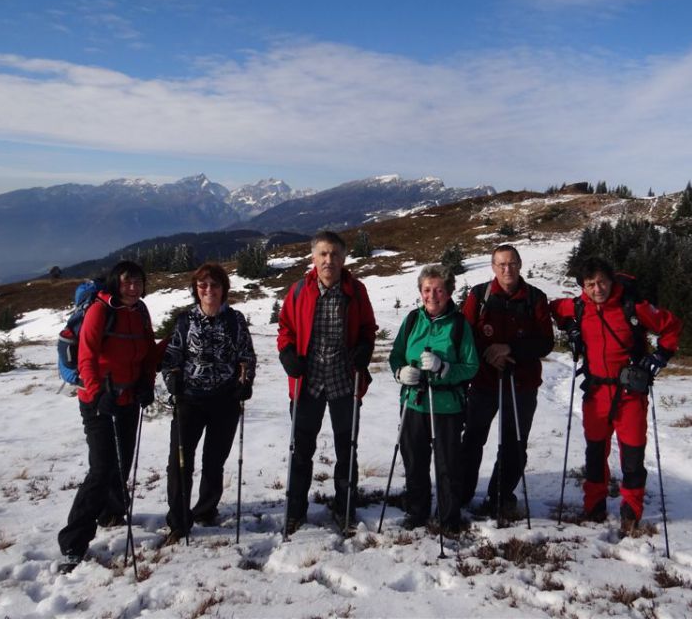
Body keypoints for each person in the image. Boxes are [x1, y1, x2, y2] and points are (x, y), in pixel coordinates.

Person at [550, 257, 682, 534]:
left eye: (601, 283)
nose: (597, 289)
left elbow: (670, 325)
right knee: (595, 453)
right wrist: (570, 327)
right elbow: (553, 308)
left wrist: (661, 354)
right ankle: (594, 505)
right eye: (590, 285)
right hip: (596, 392)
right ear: (583, 287)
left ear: (611, 281)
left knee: (632, 456)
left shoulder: (632, 306)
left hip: (629, 393)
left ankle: (630, 510)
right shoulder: (577, 306)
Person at [57, 260, 156, 572]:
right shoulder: (101, 310)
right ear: (116, 282)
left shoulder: (140, 311)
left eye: (138, 281)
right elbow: (86, 355)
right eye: (127, 281)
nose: (133, 287)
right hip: (99, 401)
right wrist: (98, 394)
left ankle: (111, 513)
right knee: (101, 469)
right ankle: (74, 541)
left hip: (127, 398)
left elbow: (149, 352)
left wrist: (147, 384)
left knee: (122, 462)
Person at [277, 231, 377, 533]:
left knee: (347, 448)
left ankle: (345, 509)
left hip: (344, 382)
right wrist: (286, 352)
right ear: (313, 258)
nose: (328, 260)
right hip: (307, 383)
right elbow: (285, 328)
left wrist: (364, 350)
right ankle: (295, 511)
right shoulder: (298, 292)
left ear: (343, 259)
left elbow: (368, 328)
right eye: (323, 254)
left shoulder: (356, 291)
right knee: (301, 449)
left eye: (334, 254)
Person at [161, 262, 256, 543]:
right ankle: (179, 519)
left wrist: (245, 383)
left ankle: (205, 508)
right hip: (189, 400)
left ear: (224, 289)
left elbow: (246, 356)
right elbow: (171, 358)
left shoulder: (235, 320)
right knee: (179, 462)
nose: (209, 290)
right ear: (196, 289)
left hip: (225, 400)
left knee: (214, 460)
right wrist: (172, 380)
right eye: (203, 285)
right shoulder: (185, 321)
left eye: (215, 285)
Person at [459, 244, 554, 519]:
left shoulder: (535, 298)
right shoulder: (479, 295)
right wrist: (488, 354)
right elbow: (464, 335)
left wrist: (509, 348)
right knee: (473, 438)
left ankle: (500, 496)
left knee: (514, 443)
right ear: (493, 267)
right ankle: (462, 492)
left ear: (520, 264)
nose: (507, 269)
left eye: (511, 263)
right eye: (501, 264)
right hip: (484, 382)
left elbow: (545, 341)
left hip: (522, 384)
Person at [389, 264, 479, 533]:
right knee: (414, 459)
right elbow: (396, 355)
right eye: (427, 290)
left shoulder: (459, 325)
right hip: (413, 402)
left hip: (446, 406)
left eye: (439, 290)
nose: (432, 295)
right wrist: (400, 372)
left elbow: (471, 365)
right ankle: (417, 511)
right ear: (420, 292)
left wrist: (445, 369)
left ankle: (449, 517)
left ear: (449, 292)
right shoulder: (413, 320)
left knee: (447, 463)